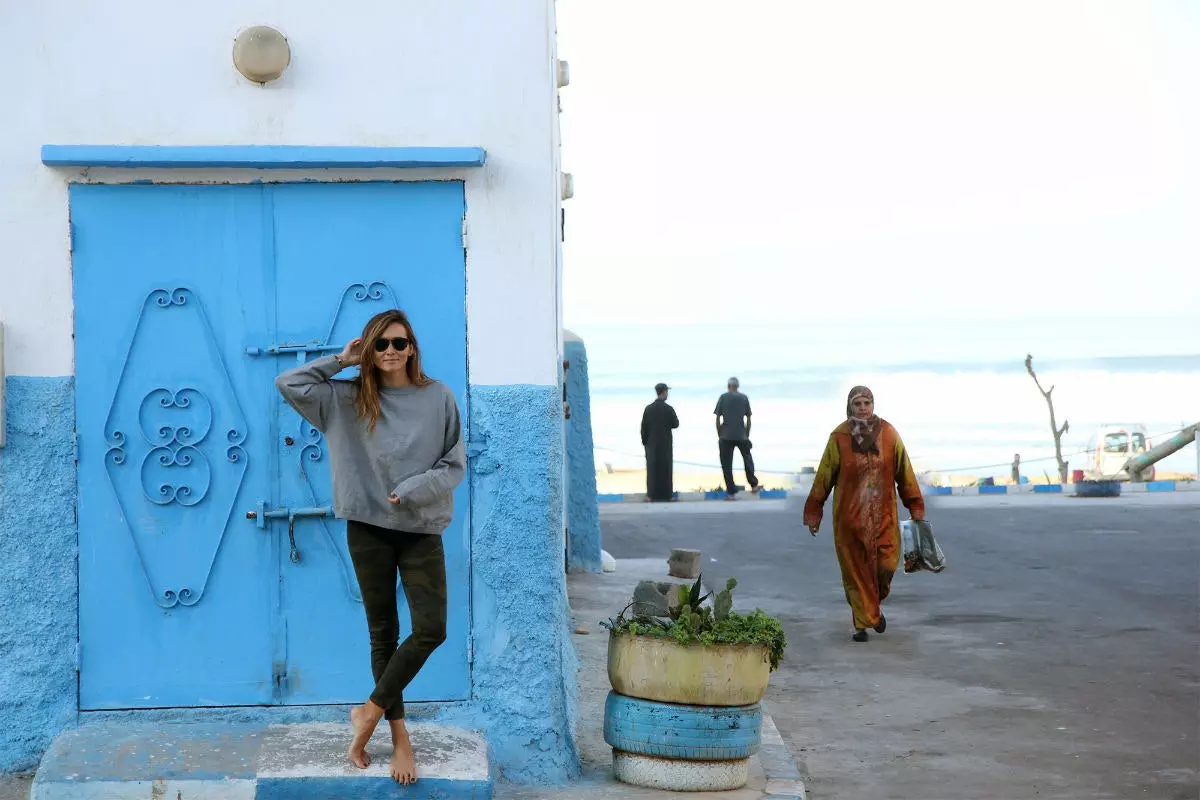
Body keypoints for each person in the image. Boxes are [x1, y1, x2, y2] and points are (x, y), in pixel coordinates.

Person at [275, 309, 464, 785]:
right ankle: (400, 738)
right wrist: (341, 360)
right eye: (380, 345)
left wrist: (415, 487)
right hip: (368, 528)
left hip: (421, 526)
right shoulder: (345, 399)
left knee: (431, 629)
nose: (390, 353)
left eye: (399, 343)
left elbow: (453, 464)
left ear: (413, 347)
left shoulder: (438, 397)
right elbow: (289, 383)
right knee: (383, 632)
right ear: (369, 350)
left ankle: (369, 712)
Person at [802, 386, 925, 642]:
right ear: (850, 406)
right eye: (857, 403)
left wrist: (915, 506)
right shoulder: (839, 437)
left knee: (886, 565)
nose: (862, 407)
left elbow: (905, 471)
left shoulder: (889, 435)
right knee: (856, 573)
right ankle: (863, 623)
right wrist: (815, 510)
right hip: (850, 521)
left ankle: (870, 609)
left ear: (873, 405)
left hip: (885, 517)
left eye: (867, 402)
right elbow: (824, 475)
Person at [714, 377, 761, 499]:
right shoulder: (744, 398)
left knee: (726, 464)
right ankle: (754, 484)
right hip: (741, 434)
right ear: (738, 386)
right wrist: (747, 434)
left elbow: (718, 418)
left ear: (728, 385)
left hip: (726, 435)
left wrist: (720, 434)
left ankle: (731, 493)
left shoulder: (723, 397)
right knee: (747, 458)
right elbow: (749, 418)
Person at [641, 382, 680, 501]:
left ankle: (650, 495)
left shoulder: (648, 409)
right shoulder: (668, 409)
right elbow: (676, 424)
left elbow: (643, 428)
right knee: (666, 469)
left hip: (651, 444)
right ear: (664, 392)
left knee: (652, 470)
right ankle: (667, 495)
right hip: (665, 444)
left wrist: (645, 443)